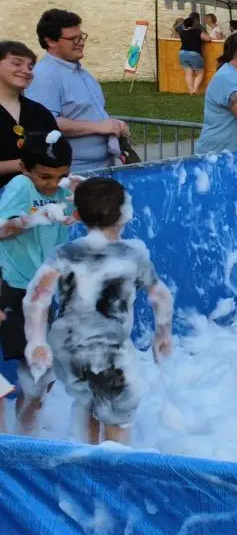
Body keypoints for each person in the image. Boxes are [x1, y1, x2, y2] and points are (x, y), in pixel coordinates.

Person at [24, 177, 174, 446]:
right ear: (124, 214)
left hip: (68, 349)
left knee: (88, 402)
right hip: (109, 352)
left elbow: (37, 297)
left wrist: (36, 341)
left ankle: (88, 453)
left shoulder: (64, 253)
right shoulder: (132, 256)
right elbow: (161, 297)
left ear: (78, 215)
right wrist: (162, 335)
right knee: (117, 419)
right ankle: (113, 464)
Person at [0, 131, 74, 435]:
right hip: (15, 285)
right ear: (24, 168)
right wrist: (36, 217)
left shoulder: (63, 190)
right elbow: (2, 228)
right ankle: (23, 439)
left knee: (43, 370)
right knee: (38, 366)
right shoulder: (21, 185)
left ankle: (27, 432)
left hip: (42, 287)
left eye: (60, 176)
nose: (52, 184)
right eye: (45, 176)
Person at [29, 10, 128, 171]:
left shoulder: (82, 73)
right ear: (50, 41)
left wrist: (114, 124)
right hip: (72, 172)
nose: (81, 42)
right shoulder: (44, 75)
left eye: (81, 36)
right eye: (73, 39)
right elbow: (46, 123)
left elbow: (88, 114)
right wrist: (98, 127)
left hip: (101, 167)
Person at [0, 42, 61, 180]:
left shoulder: (39, 112)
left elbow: (58, 152)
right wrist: (23, 164)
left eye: (30, 67)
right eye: (17, 63)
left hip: (38, 192)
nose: (27, 71)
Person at [176, 13, 206, 95]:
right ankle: (195, 90)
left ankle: (191, 91)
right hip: (194, 53)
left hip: (182, 53)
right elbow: (207, 39)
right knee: (200, 73)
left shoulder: (182, 32)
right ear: (193, 24)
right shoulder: (197, 31)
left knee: (188, 73)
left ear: (184, 24)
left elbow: (176, 29)